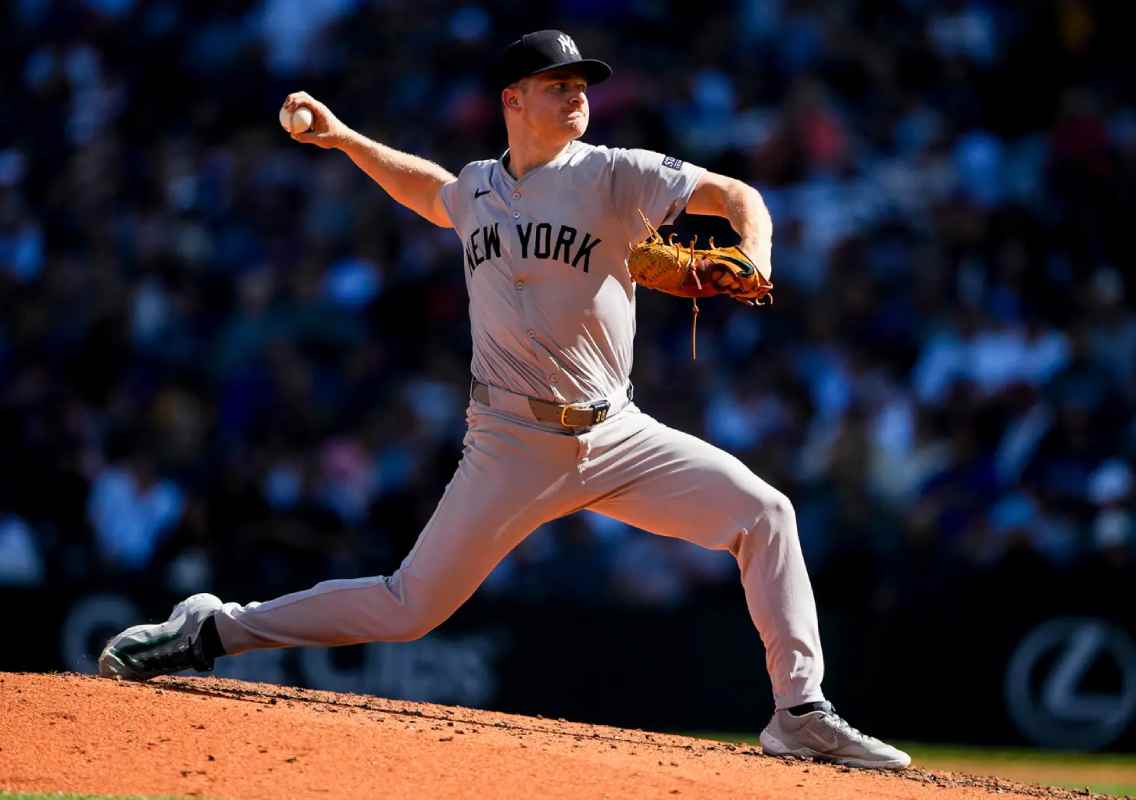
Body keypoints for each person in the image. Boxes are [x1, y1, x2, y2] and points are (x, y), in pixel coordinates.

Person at [99, 30, 910, 770]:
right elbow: (431, 191)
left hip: (618, 434)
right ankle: (212, 628)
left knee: (765, 513)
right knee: (406, 608)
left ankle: (799, 713)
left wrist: (754, 256)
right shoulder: (479, 191)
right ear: (512, 100)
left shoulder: (617, 171)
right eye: (555, 83)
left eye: (581, 82)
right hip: (510, 443)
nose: (576, 93)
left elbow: (739, 197)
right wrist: (344, 139)